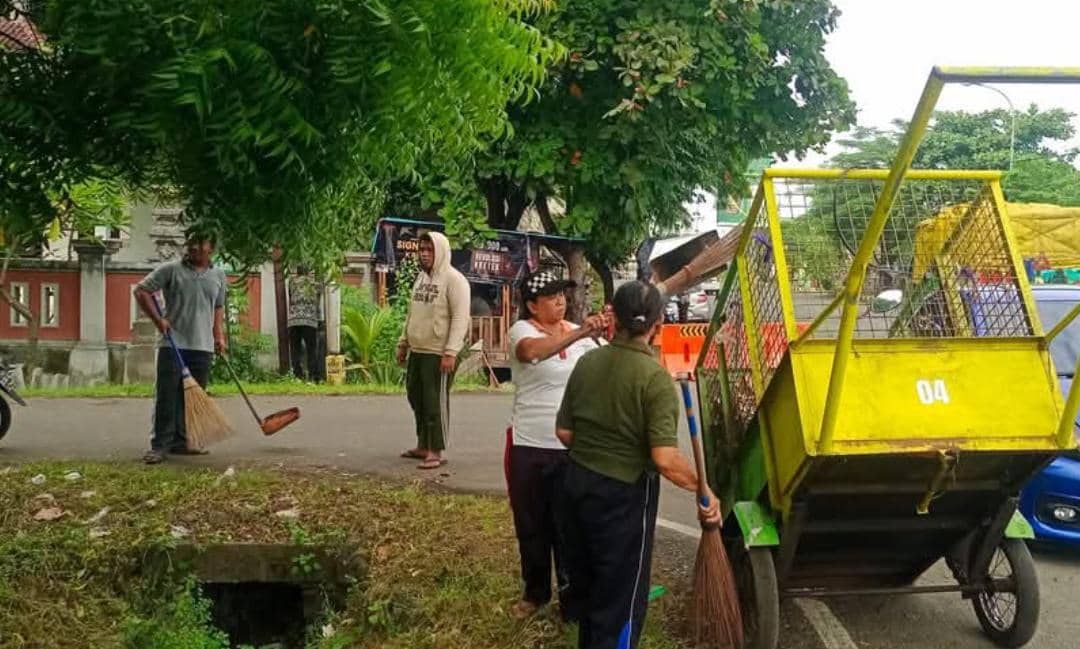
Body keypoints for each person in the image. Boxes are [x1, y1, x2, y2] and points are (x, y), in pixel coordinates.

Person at [554, 280, 721, 649]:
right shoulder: (655, 380)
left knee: (592, 590)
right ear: (658, 324)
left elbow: (564, 432)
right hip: (623, 499)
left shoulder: (587, 362)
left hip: (576, 486)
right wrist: (701, 486)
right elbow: (664, 459)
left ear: (613, 317)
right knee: (621, 602)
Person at [505, 271, 609, 620]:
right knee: (532, 524)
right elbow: (532, 353)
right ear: (532, 305)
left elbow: (611, 359)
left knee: (570, 527)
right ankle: (535, 593)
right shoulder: (522, 331)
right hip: (529, 444)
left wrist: (609, 326)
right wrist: (581, 330)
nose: (560, 301)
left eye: (562, 294)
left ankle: (572, 600)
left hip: (571, 446)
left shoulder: (582, 337)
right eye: (550, 296)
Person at [134, 232, 227, 464]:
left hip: (202, 346)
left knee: (192, 398)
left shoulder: (218, 275)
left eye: (200, 244)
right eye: (191, 243)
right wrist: (158, 320)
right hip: (173, 342)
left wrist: (219, 336)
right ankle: (160, 446)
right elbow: (141, 291)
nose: (193, 247)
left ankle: (183, 442)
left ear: (211, 249)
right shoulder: (171, 269)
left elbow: (218, 307)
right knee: (167, 396)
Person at [396, 232, 471, 469]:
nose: (425, 254)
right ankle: (422, 444)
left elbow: (461, 318)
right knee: (415, 396)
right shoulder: (421, 278)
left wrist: (451, 352)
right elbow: (412, 313)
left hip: (439, 352)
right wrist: (403, 343)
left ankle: (436, 450)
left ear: (441, 251)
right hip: (418, 349)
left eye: (430, 250)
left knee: (434, 401)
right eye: (422, 250)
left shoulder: (454, 280)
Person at [287, 265, 320, 381]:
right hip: (310, 320)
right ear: (308, 271)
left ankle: (298, 376)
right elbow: (317, 300)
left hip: (293, 320)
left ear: (298, 271)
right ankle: (313, 377)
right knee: (311, 349)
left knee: (295, 350)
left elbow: (290, 297)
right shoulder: (314, 283)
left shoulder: (291, 282)